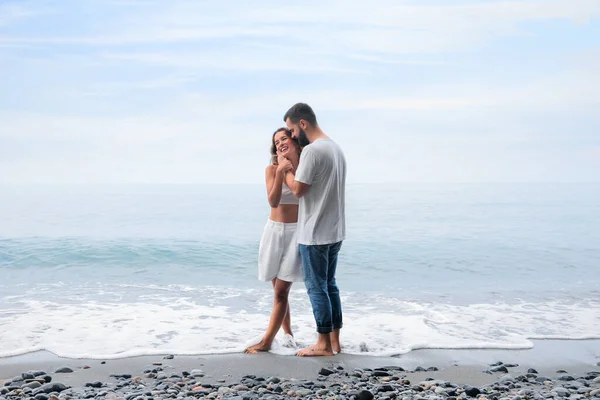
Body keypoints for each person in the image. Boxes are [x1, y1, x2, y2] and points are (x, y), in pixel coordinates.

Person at [282, 103, 347, 357]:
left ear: (303, 124)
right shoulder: (336, 148)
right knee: (330, 285)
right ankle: (335, 342)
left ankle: (322, 344)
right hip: (335, 230)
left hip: (315, 231)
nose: (292, 135)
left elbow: (299, 190)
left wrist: (287, 170)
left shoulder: (312, 152)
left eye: (292, 129)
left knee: (316, 287)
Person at [245, 128, 304, 354]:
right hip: (273, 231)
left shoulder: (304, 170)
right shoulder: (271, 169)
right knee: (278, 290)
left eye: (284, 138)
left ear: (294, 140)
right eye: (276, 141)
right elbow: (273, 201)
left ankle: (267, 342)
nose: (280, 143)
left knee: (281, 291)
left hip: (295, 233)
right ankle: (288, 335)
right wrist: (280, 171)